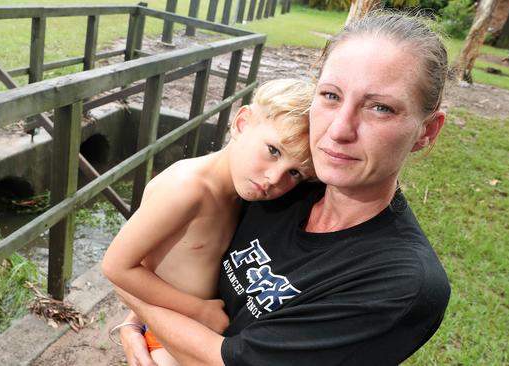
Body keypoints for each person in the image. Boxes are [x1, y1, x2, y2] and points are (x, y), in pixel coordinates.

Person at [115, 11, 451, 366]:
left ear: (427, 131)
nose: (339, 129)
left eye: (380, 108)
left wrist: (131, 293)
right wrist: (134, 323)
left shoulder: (399, 284)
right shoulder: (286, 184)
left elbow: (227, 360)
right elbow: (184, 255)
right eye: (331, 96)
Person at [102, 79, 316, 365]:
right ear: (241, 123)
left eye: (295, 173)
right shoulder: (187, 190)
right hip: (168, 338)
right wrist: (199, 310)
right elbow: (116, 265)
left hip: (188, 333)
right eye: (273, 151)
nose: (274, 178)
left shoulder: (241, 194)